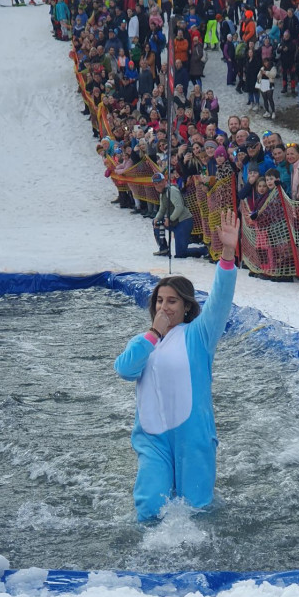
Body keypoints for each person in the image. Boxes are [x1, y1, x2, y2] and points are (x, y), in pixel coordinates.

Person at [114, 209, 240, 522]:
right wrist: (154, 333)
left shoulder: (199, 334)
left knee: (197, 511)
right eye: (159, 300)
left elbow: (220, 300)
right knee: (150, 509)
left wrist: (227, 253)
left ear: (186, 307)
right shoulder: (144, 341)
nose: (164, 306)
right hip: (152, 438)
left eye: (172, 301)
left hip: (193, 437)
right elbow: (124, 369)